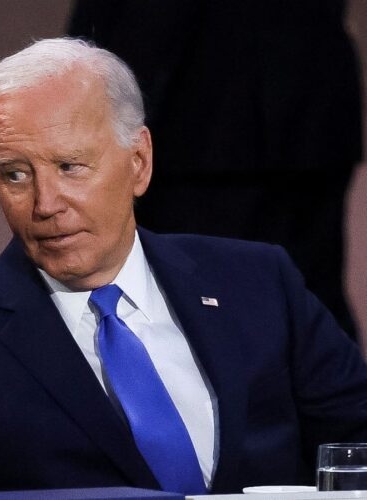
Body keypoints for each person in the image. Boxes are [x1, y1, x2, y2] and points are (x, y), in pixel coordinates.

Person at [0, 38, 367, 494]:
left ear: (138, 162)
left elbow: (355, 440)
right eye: (15, 174)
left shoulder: (258, 283)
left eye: (70, 167)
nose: (46, 204)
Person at [67, 0, 363, 340]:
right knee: (305, 305)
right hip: (308, 108)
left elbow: (148, 23)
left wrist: (87, 119)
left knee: (204, 317)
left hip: (201, 123)